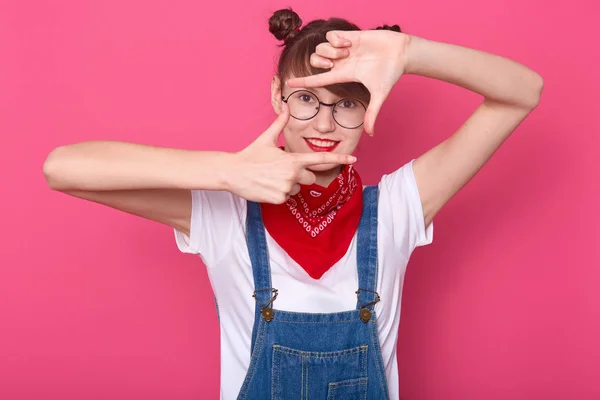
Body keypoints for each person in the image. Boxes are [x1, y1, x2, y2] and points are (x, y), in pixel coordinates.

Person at [42, 8, 544, 400]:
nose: (325, 126)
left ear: (371, 105)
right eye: (306, 99)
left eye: (347, 103)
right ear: (278, 95)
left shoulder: (397, 208)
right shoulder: (226, 212)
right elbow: (63, 168)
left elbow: (523, 92)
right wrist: (227, 171)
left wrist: (410, 52)